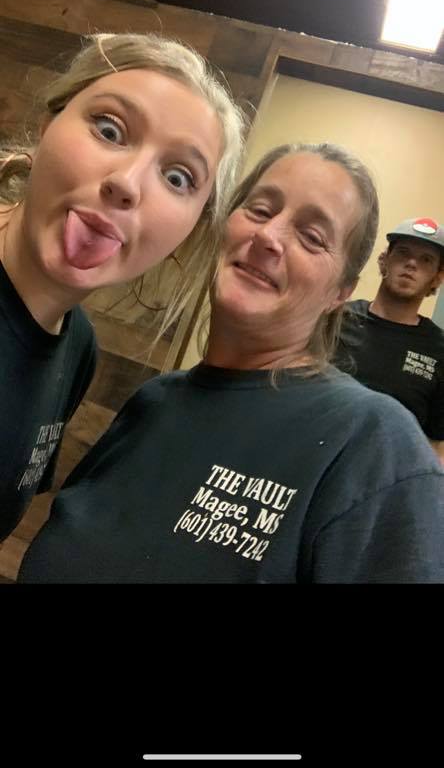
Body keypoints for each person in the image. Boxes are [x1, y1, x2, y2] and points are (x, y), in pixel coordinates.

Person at [18, 143, 444, 584]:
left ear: (341, 292)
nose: (268, 236)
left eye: (312, 237)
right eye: (260, 210)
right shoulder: (153, 403)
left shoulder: (374, 445)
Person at [0, 32, 245, 543]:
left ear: (191, 228)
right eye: (109, 129)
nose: (128, 183)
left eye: (177, 178)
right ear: (46, 126)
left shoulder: (77, 349)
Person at [336, 217, 444, 462]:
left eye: (426, 260)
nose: (412, 263)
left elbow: (437, 445)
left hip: (384, 475)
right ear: (384, 260)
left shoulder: (439, 351)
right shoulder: (335, 320)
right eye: (403, 252)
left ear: (437, 278)